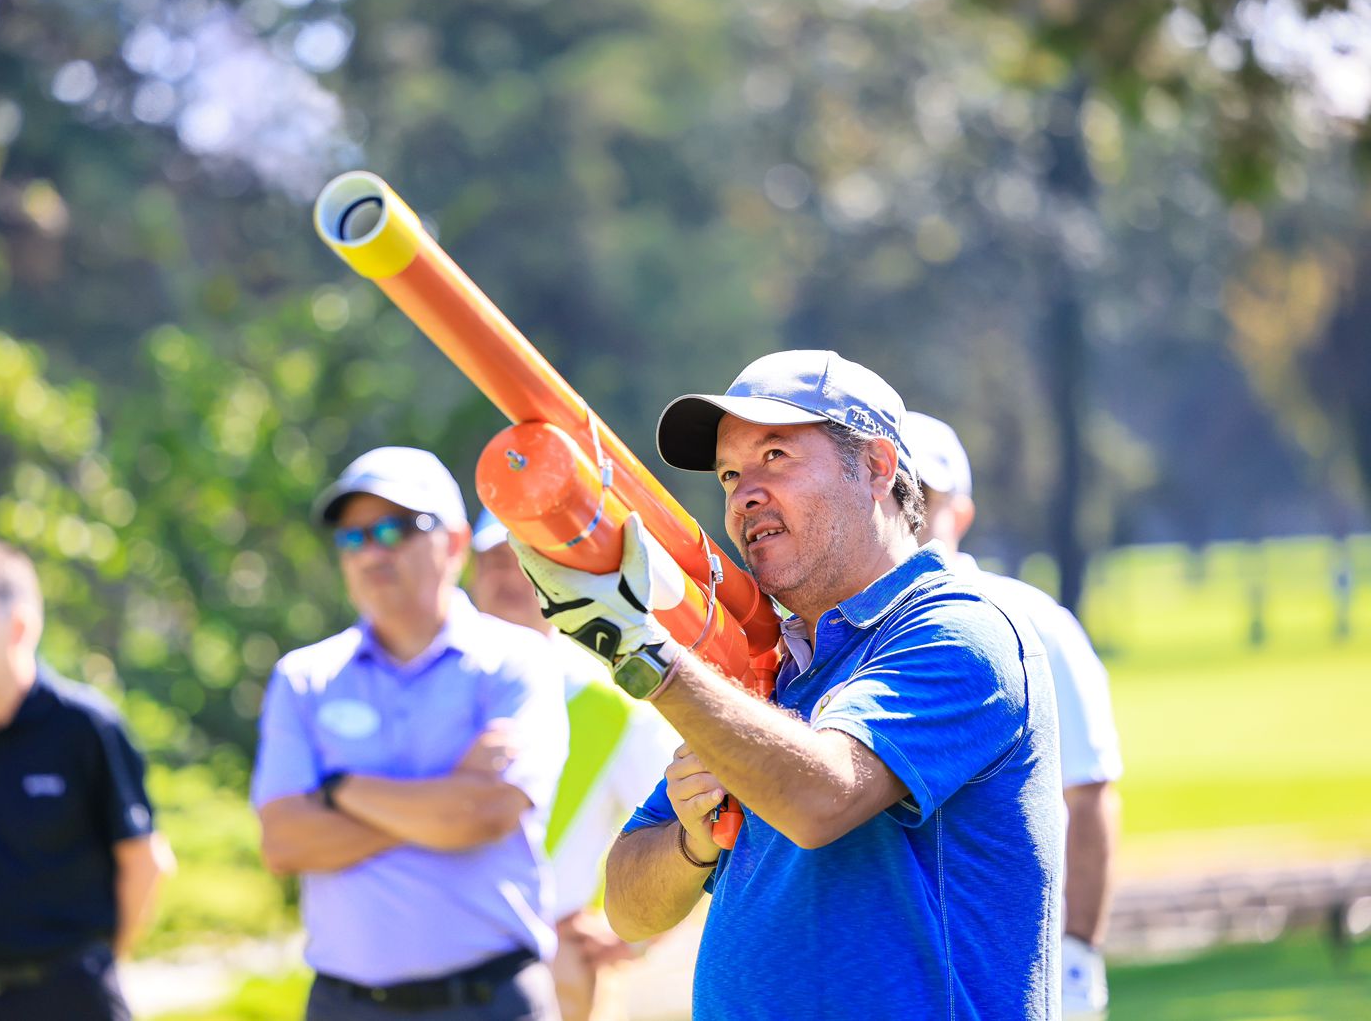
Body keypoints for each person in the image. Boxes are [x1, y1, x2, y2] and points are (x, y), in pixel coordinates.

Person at [509, 350, 1064, 1021]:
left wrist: (643, 653)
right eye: (730, 474)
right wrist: (693, 839)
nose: (743, 494)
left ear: (878, 467)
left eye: (776, 456)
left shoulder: (960, 630)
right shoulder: (769, 663)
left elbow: (821, 798)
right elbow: (630, 907)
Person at [253, 446, 569, 1021]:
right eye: (353, 537)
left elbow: (483, 815)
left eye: (395, 529)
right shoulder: (303, 678)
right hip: (345, 1007)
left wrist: (338, 790)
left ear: (454, 542)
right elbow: (284, 843)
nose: (372, 551)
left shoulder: (520, 660)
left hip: (490, 1004)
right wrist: (443, 800)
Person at [903, 411, 1124, 1020]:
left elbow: (1089, 794)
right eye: (896, 495)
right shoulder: (845, 634)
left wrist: (1076, 957)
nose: (909, 515)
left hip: (1021, 970)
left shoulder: (1036, 621)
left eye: (923, 498)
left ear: (961, 514)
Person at [0, 539, 174, 1020]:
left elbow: (144, 861)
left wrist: (97, 964)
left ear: (19, 627)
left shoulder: (85, 727)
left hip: (71, 999)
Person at [469, 511, 678, 1021]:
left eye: (524, 559)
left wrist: (633, 937)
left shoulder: (611, 698)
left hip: (552, 973)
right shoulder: (432, 682)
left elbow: (689, 826)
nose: (506, 575)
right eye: (492, 560)